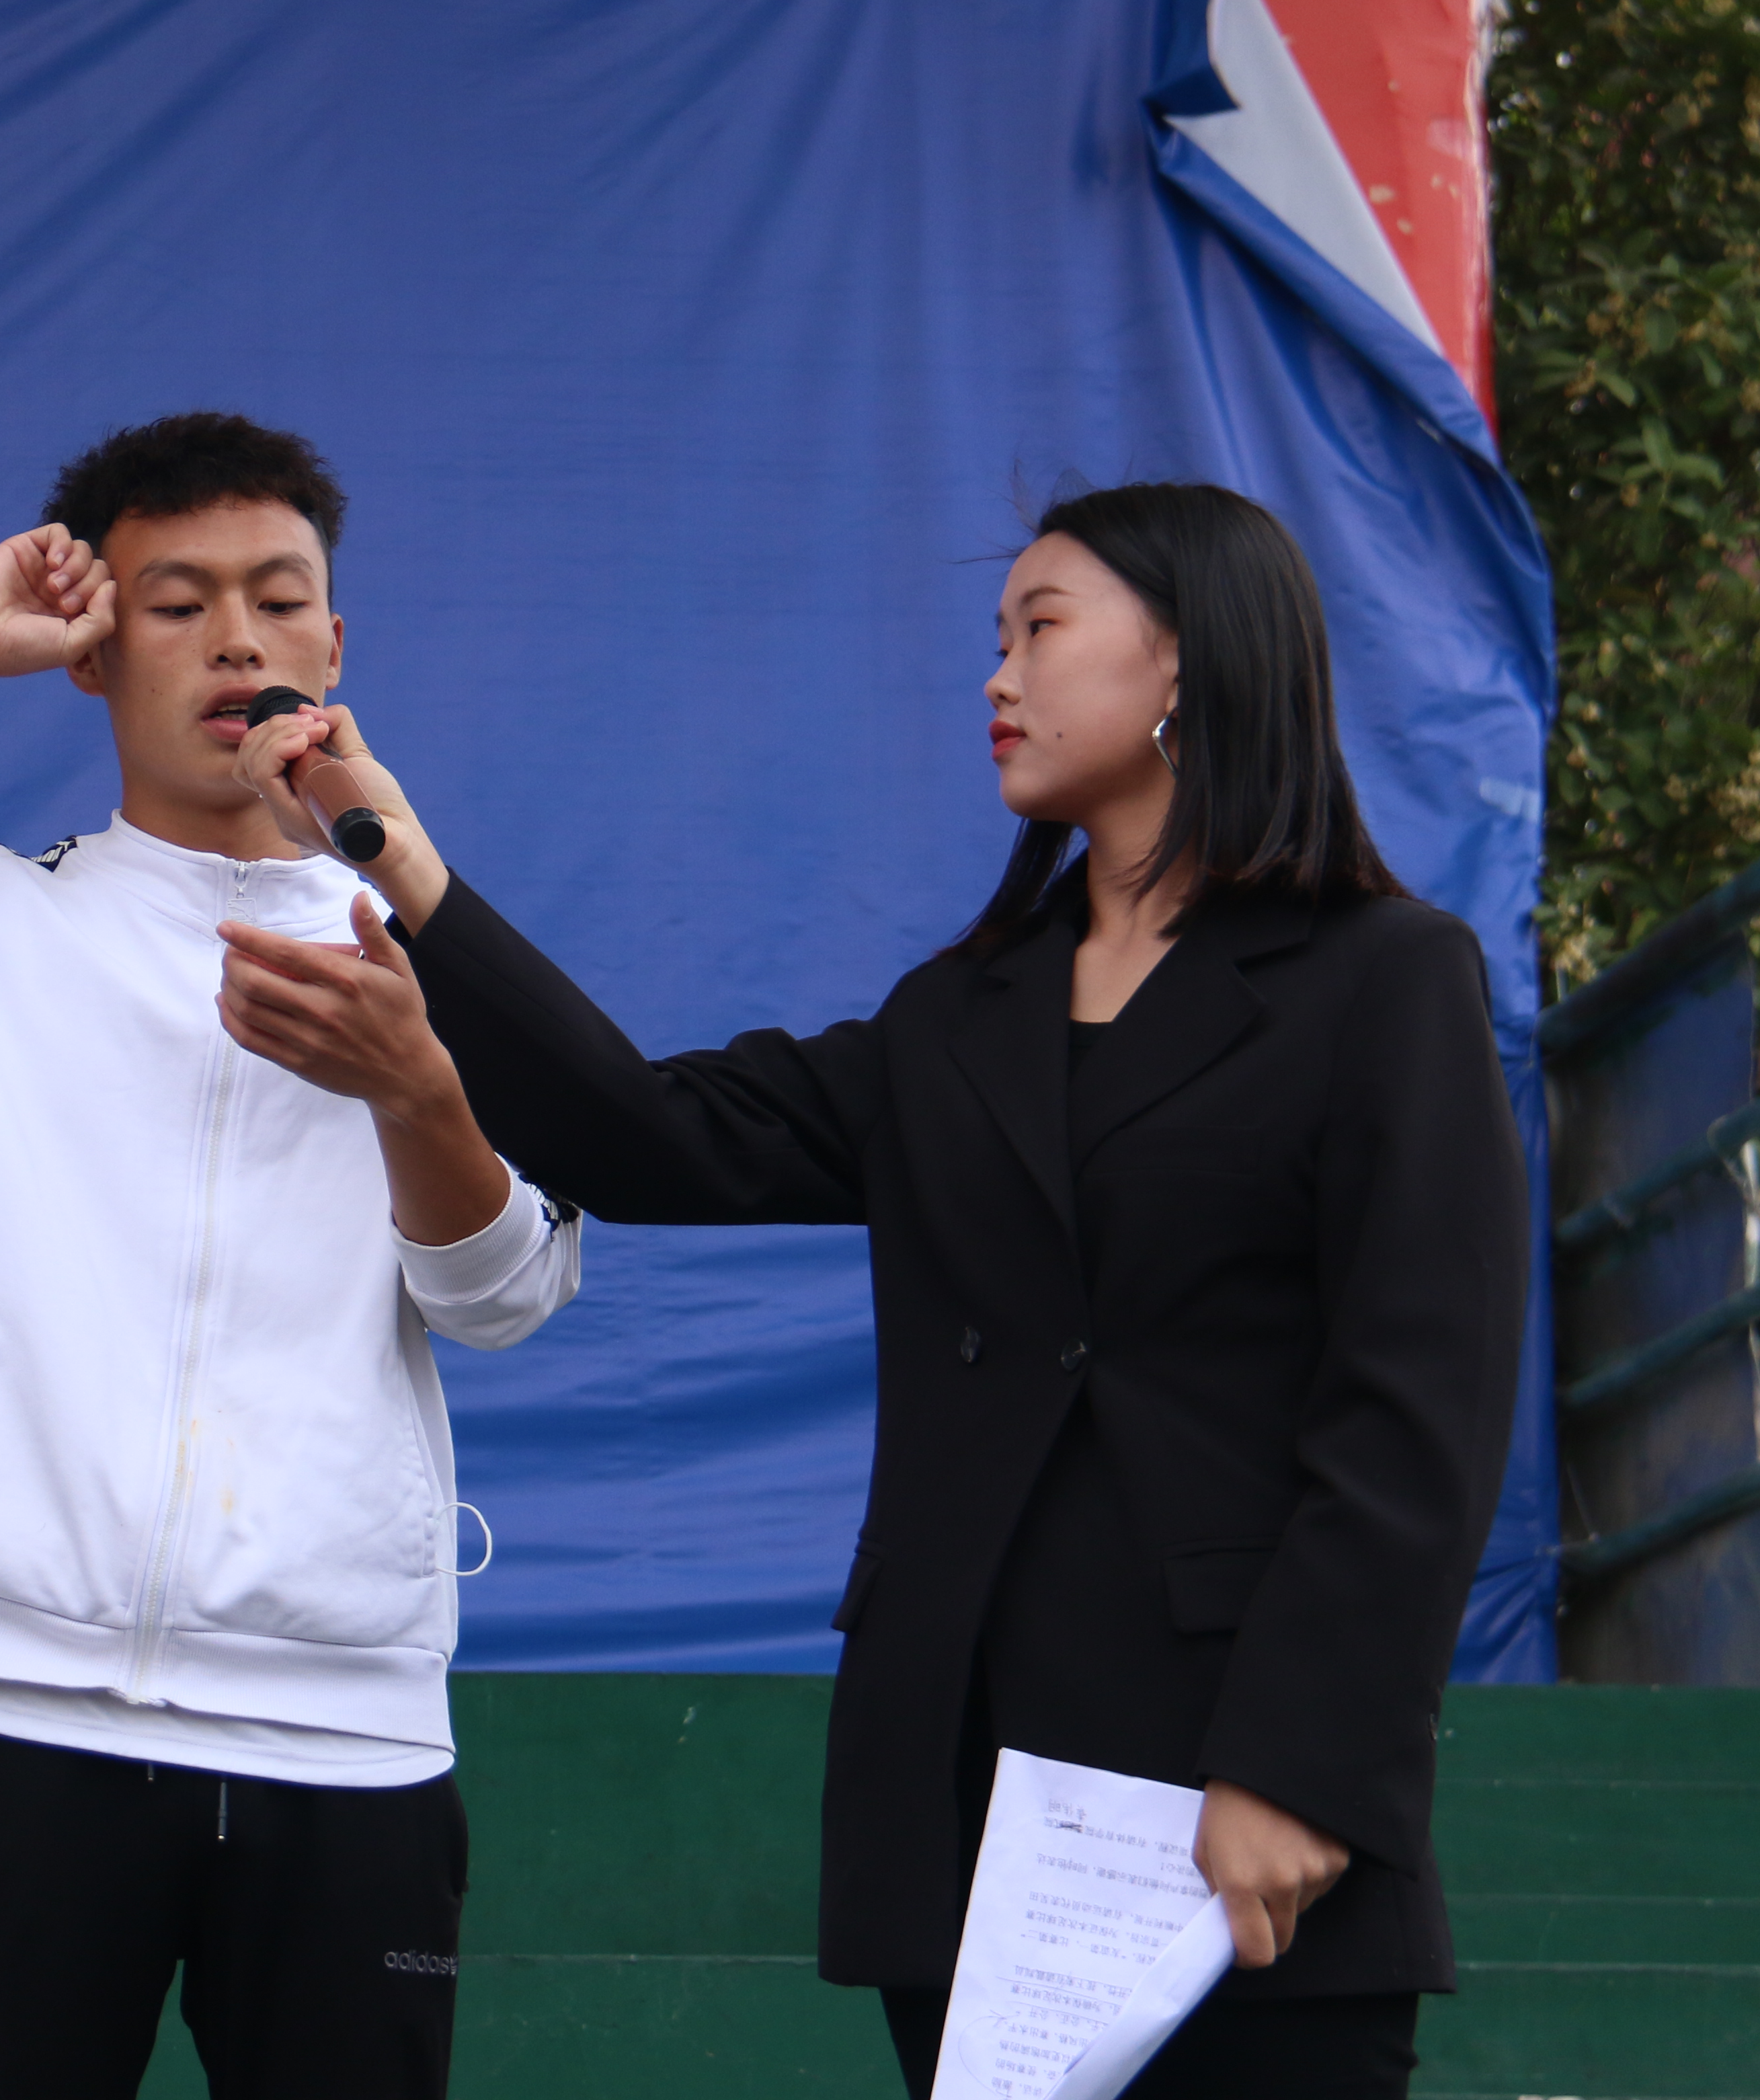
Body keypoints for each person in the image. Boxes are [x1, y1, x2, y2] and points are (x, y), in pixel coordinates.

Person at [213, 481, 1525, 2099]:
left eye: (1040, 628)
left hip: (1235, 1810)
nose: (998, 675)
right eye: (998, 635)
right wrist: (401, 861)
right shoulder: (960, 1017)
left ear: (1185, 661)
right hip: (972, 1800)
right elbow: (646, 1137)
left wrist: (1301, 1768)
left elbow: (1419, 1408)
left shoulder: (1381, 981)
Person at [0, 412, 580, 2098]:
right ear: (89, 651)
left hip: (345, 1728)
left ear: (336, 644)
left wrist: (415, 1087)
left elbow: (502, 1301)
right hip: (22, 1709)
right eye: (177, 603)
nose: (237, 642)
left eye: (279, 600)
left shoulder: (436, 956)